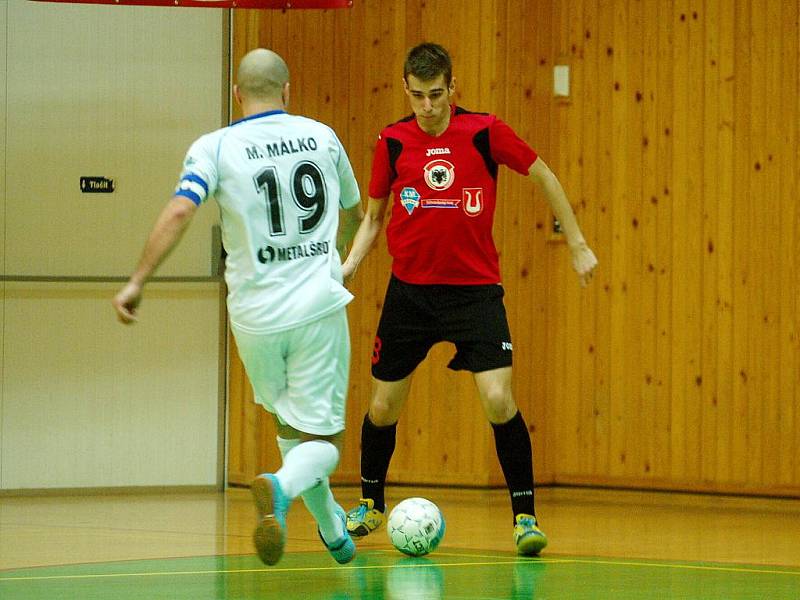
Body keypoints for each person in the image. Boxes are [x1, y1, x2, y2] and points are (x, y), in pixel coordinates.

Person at [341, 42, 597, 556]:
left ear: (452, 88)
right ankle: (371, 503)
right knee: (382, 406)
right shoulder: (391, 142)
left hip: (475, 294)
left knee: (499, 399)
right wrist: (345, 271)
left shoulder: (483, 131)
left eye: (436, 95)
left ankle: (525, 517)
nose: (428, 107)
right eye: (418, 96)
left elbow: (544, 174)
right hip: (409, 294)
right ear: (407, 91)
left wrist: (577, 242)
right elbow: (373, 218)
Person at [112, 48, 364, 566]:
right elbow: (355, 210)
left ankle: (333, 532)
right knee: (323, 440)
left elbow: (182, 209)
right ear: (288, 92)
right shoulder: (321, 135)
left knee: (291, 431)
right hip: (316, 308)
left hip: (253, 319)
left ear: (236, 95)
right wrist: (339, 257)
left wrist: (138, 280)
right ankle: (281, 488)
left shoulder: (216, 146)